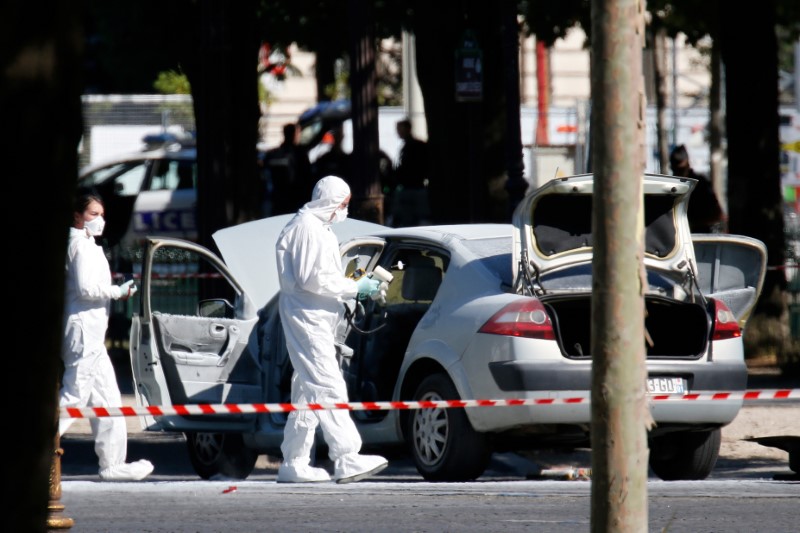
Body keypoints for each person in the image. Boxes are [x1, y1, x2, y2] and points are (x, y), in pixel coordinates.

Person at [274, 175, 388, 484]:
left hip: (313, 317)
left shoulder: (312, 227)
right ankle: (346, 456)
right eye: (344, 204)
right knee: (328, 384)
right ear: (333, 202)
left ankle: (294, 461)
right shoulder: (308, 229)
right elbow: (314, 280)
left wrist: (353, 287)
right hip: (308, 318)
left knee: (307, 389)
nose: (344, 210)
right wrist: (355, 287)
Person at [59, 193, 154, 481]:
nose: (99, 220)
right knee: (75, 396)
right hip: (84, 331)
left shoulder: (85, 244)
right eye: (92, 214)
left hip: (91, 333)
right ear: (77, 216)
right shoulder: (79, 245)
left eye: (101, 214)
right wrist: (118, 291)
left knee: (108, 397)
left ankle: (113, 464)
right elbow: (87, 288)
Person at [262, 122, 314, 216]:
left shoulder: (273, 154)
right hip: (296, 199)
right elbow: (307, 176)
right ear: (295, 134)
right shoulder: (300, 154)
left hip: (278, 199)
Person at [669, 144, 725, 233]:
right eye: (677, 170)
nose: (679, 173)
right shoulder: (671, 187)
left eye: (681, 169)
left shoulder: (700, 183)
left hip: (702, 232)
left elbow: (716, 214)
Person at [390, 118, 431, 227]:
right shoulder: (412, 145)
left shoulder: (412, 146)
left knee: (409, 216)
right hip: (414, 185)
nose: (398, 132)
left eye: (399, 129)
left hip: (412, 185)